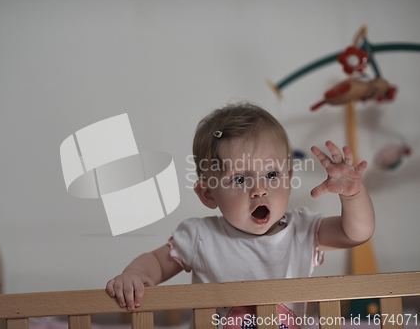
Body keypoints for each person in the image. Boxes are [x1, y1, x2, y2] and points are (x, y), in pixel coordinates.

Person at [106, 102, 375, 328]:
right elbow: (156, 260)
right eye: (239, 179)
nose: (259, 190)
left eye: (272, 175)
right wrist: (136, 274)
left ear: (289, 179)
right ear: (209, 194)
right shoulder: (201, 236)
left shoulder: (302, 231)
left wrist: (352, 195)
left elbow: (357, 233)